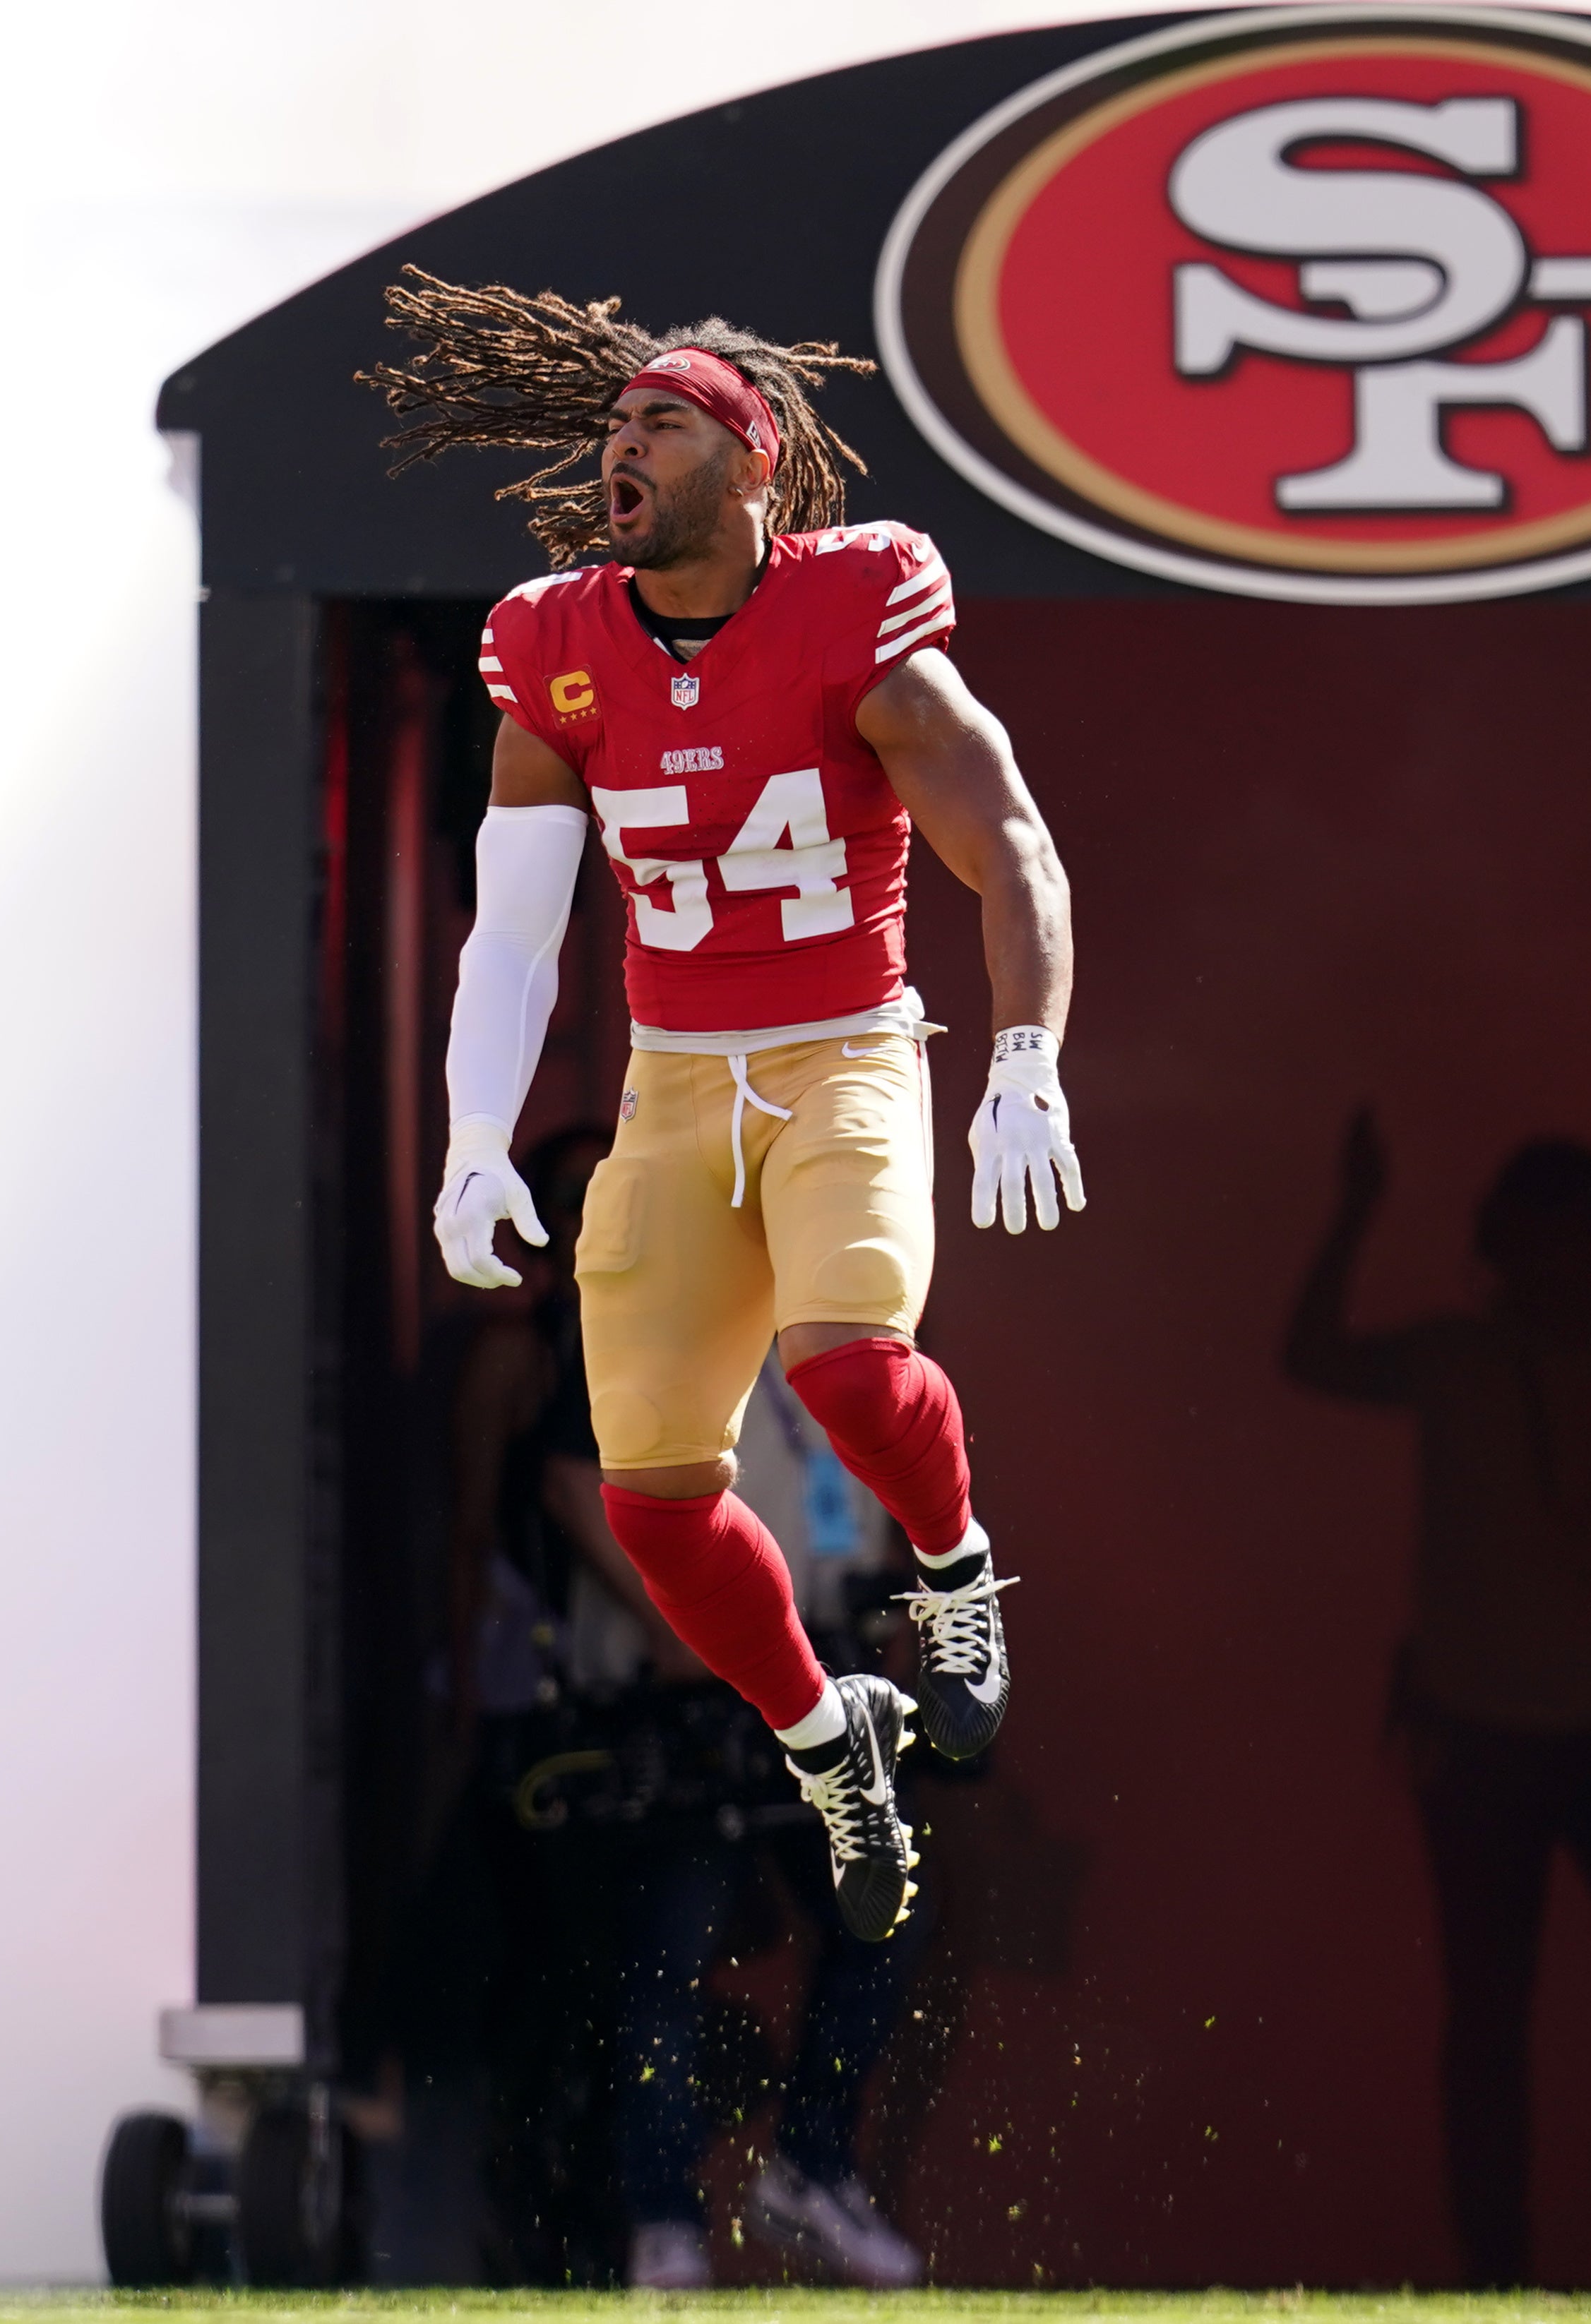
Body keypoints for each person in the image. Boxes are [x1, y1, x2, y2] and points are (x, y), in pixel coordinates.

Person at [367, 270, 1082, 1943]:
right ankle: (833, 1738)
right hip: (676, 1088)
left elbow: (1011, 840)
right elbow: (518, 919)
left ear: (754, 463)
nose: (622, 445)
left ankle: (957, 1568)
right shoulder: (558, 647)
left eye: (661, 421)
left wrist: (1027, 1050)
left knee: (846, 1362)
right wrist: (475, 1136)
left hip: (843, 1051)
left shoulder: (856, 611)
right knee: (653, 1496)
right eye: (614, 424)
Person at [1284, 1116, 1591, 2288]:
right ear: (1499, 1244)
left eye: (1568, 1238)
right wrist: (1353, 1210)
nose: (1548, 1262)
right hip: (1476, 1729)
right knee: (1488, 2017)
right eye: (1530, 1238)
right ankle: (1494, 2274)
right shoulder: (1456, 1356)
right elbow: (1311, 1356)